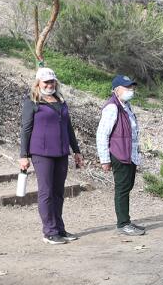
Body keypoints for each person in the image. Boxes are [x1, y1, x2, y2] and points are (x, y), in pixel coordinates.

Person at [19, 67, 84, 245]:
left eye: (52, 81)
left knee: (58, 192)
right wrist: (23, 155)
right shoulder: (32, 102)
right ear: (38, 83)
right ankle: (49, 231)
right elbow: (25, 129)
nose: (49, 84)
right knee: (46, 192)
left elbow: (69, 128)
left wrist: (76, 151)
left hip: (61, 152)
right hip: (42, 153)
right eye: (46, 82)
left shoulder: (60, 100)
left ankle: (59, 229)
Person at [96, 74, 145, 236]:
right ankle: (123, 224)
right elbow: (102, 134)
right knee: (122, 189)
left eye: (132, 87)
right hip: (119, 153)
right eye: (127, 87)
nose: (131, 90)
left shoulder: (126, 106)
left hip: (129, 153)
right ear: (116, 90)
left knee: (127, 186)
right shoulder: (112, 107)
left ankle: (126, 221)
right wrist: (104, 159)